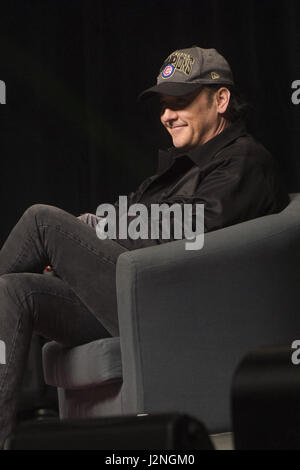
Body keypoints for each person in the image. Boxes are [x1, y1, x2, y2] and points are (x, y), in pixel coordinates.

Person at [0, 46, 289, 447]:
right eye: (164, 104)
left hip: (170, 311)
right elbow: (131, 221)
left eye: (181, 101)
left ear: (221, 100)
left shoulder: (244, 161)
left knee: (41, 220)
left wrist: (88, 235)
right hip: (132, 296)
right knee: (14, 289)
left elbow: (191, 232)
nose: (166, 115)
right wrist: (90, 235)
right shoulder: (180, 167)